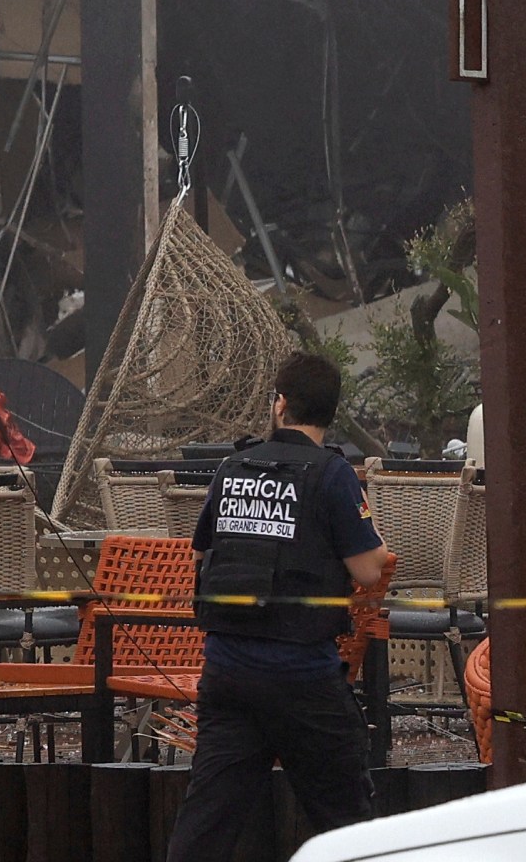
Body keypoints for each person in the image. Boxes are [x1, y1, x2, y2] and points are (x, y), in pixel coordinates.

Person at [165, 353, 391, 860]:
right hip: (303, 681)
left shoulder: (233, 467)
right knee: (348, 829)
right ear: (329, 412)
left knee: (204, 829)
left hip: (227, 677)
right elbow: (368, 570)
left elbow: (200, 553)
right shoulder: (333, 475)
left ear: (281, 404)